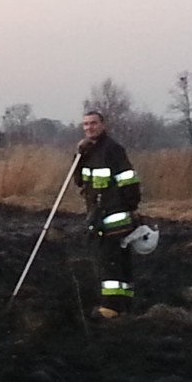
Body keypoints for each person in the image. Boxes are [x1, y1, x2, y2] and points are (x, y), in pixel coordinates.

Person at [74, 111, 141, 319]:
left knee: (109, 261)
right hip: (98, 214)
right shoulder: (87, 152)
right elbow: (79, 181)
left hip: (114, 215)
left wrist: (130, 206)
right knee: (119, 260)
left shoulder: (112, 149)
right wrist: (78, 156)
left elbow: (128, 180)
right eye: (85, 124)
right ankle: (125, 303)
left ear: (103, 125)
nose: (89, 127)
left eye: (93, 123)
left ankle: (111, 307)